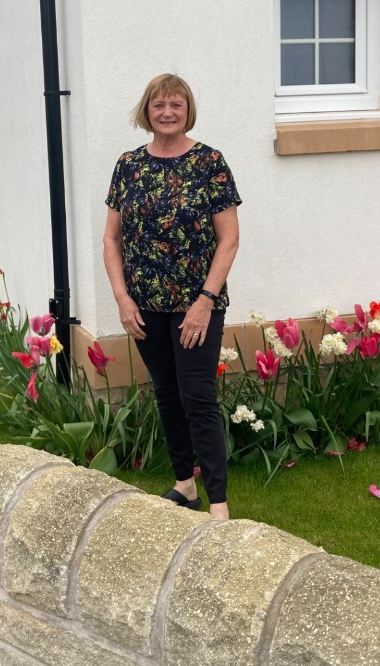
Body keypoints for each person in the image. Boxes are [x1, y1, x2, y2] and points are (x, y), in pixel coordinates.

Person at [102, 73, 241, 521]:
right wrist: (123, 299)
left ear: (187, 111)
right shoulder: (128, 165)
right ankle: (186, 484)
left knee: (198, 397)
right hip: (145, 305)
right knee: (166, 393)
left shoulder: (209, 163)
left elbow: (229, 239)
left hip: (195, 305)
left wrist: (204, 301)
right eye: (159, 105)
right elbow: (111, 239)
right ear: (147, 111)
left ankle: (218, 503)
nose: (167, 112)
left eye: (176, 105)